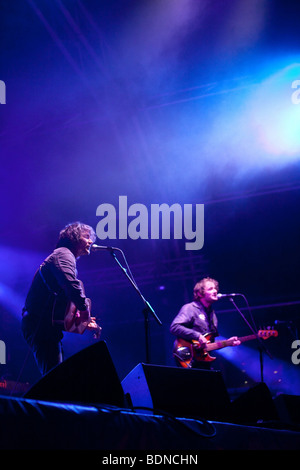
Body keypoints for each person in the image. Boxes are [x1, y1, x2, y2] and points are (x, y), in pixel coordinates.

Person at [21, 222, 96, 376]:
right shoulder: (63, 254)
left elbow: (62, 307)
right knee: (54, 380)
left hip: (47, 326)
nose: (91, 241)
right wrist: (84, 311)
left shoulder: (66, 257)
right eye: (86, 237)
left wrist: (81, 322)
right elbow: (71, 285)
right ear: (74, 237)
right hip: (39, 324)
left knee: (56, 378)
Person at [170, 277, 240, 369]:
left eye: (215, 288)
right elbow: (175, 327)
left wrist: (228, 342)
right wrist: (197, 336)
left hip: (204, 362)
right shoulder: (190, 308)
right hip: (188, 358)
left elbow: (210, 343)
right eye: (210, 289)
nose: (215, 291)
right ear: (200, 293)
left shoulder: (212, 314)